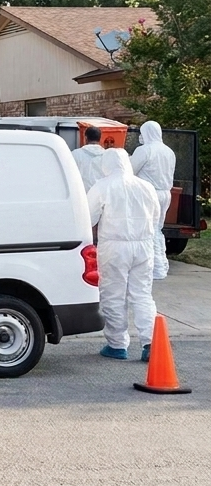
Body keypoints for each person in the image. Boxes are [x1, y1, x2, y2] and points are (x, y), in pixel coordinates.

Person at [87, 148, 161, 362]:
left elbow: (89, 218)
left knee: (113, 294)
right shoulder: (146, 187)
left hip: (114, 246)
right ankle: (150, 343)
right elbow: (155, 217)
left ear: (106, 164)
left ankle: (117, 345)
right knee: (143, 294)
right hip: (144, 245)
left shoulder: (102, 186)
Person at [130, 120, 177, 280]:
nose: (141, 136)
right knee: (158, 229)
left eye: (142, 133)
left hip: (149, 194)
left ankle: (155, 268)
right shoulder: (169, 151)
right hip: (166, 194)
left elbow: (130, 170)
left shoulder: (144, 150)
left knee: (149, 230)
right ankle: (161, 265)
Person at [71, 126, 106, 191]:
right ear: (100, 139)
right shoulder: (107, 155)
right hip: (101, 195)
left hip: (83, 194)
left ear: (86, 138)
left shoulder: (75, 154)